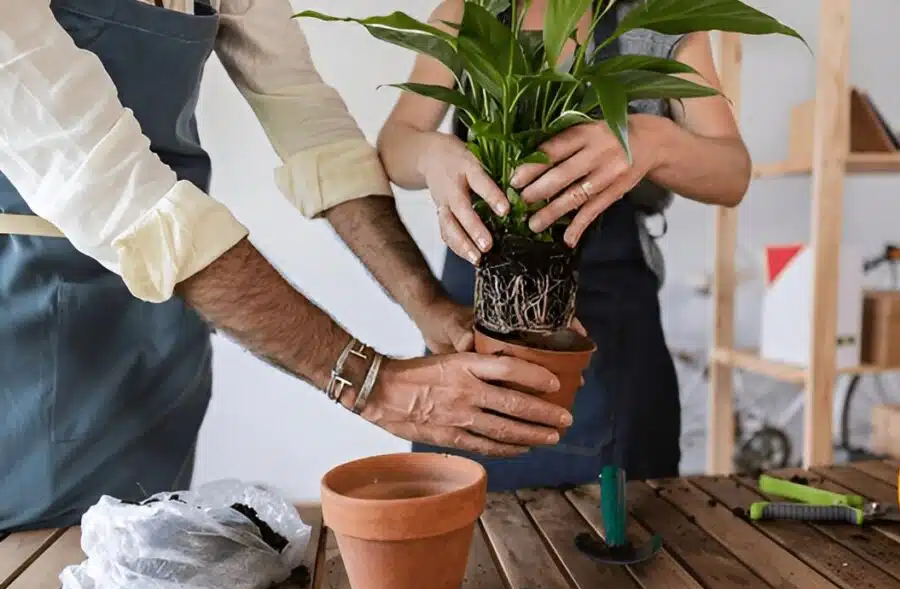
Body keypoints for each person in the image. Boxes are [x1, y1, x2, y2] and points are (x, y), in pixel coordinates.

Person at [0, 0, 575, 533]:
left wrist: (425, 303)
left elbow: (310, 121)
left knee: (140, 551)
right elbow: (119, 192)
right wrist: (371, 384)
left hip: (164, 317)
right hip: (26, 321)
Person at [377, 0, 753, 490]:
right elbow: (395, 144)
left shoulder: (658, 19)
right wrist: (431, 155)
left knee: (619, 536)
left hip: (611, 329)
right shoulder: (471, 12)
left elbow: (732, 174)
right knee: (464, 524)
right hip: (473, 314)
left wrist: (650, 139)